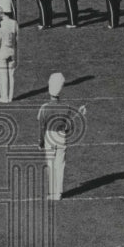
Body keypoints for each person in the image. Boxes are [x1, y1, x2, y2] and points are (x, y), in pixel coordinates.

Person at [37, 73, 86, 201]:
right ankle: (58, 193)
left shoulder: (44, 108)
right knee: (60, 165)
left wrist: (40, 141)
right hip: (61, 138)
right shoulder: (67, 108)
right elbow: (69, 127)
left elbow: (42, 127)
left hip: (49, 137)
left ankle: (52, 193)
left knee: (51, 164)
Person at [0, 0, 18, 103]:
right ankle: (11, 97)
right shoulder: (14, 23)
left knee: (3, 74)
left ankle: (4, 97)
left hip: (2, 52)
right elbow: (17, 39)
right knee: (11, 74)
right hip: (12, 51)